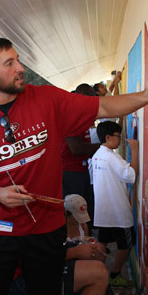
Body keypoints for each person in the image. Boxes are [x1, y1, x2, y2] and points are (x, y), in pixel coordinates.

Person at [0, 37, 148, 295]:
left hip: (47, 228)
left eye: (18, 59)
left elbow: (102, 105)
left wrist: (147, 95)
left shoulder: (46, 99)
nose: (20, 68)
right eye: (9, 63)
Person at [63, 194, 117, 295]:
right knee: (100, 287)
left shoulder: (83, 226)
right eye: (76, 217)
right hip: (65, 269)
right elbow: (53, 257)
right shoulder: (59, 229)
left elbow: (86, 245)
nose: (79, 221)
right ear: (67, 214)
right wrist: (77, 251)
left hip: (78, 265)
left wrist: (96, 252)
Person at [91, 121, 138, 287]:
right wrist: (135, 150)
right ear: (108, 137)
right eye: (119, 136)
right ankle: (115, 273)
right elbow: (131, 176)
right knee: (127, 243)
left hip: (103, 209)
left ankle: (98, 274)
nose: (121, 140)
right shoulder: (112, 156)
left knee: (102, 242)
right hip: (117, 210)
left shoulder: (97, 155)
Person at [62, 83, 100, 228]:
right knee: (75, 211)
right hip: (70, 174)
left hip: (81, 171)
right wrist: (103, 148)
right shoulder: (70, 118)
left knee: (86, 209)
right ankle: (77, 243)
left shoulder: (81, 118)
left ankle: (87, 240)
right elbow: (76, 148)